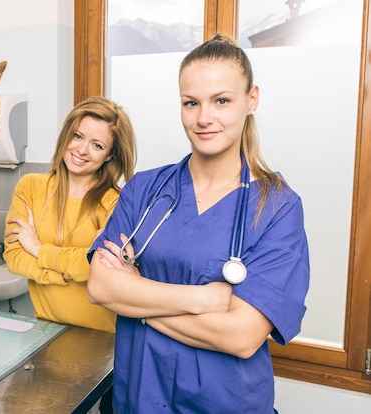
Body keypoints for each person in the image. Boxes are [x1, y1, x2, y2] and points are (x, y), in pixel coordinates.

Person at [87, 33, 310, 413]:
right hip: (140, 399)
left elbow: (240, 336)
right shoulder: (145, 190)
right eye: (191, 103)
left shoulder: (278, 208)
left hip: (226, 402)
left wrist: (136, 296)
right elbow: (101, 287)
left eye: (221, 100)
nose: (204, 118)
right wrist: (204, 299)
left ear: (251, 100)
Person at [4, 96, 137, 414]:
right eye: (78, 136)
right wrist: (73, 263)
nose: (81, 150)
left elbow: (101, 270)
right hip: (46, 334)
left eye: (96, 145)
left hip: (104, 341)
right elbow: (13, 257)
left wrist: (38, 249)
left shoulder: (115, 202)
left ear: (109, 156)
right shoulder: (31, 187)